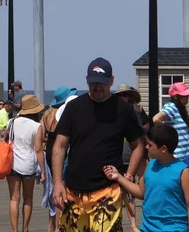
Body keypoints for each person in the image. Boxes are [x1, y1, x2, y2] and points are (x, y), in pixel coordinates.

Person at [52, 58, 145, 232]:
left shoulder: (123, 110)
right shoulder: (73, 107)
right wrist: (57, 182)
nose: (97, 87)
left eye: (102, 83)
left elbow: (138, 146)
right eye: (93, 83)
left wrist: (128, 178)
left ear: (111, 80)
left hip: (107, 191)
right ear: (87, 81)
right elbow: (59, 146)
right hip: (73, 190)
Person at [104, 124, 189, 232]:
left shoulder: (183, 171)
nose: (146, 147)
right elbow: (141, 192)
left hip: (174, 229)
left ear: (163, 149)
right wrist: (118, 177)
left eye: (150, 145)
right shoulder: (151, 165)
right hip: (147, 228)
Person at [6, 95, 46, 232]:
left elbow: (5, 139)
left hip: (12, 164)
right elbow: (38, 149)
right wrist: (43, 171)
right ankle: (25, 228)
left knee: (13, 198)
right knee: (28, 198)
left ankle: (14, 230)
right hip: (29, 165)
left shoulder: (11, 122)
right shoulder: (37, 126)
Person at [42, 87, 76, 232]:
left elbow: (42, 136)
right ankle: (58, 226)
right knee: (63, 188)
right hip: (61, 150)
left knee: (54, 187)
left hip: (49, 149)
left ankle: (53, 226)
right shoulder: (64, 114)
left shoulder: (47, 115)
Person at [115, 84, 148, 232]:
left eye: (125, 94)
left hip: (135, 154)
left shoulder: (138, 110)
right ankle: (120, 222)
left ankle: (134, 224)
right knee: (117, 193)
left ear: (130, 96)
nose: (123, 97)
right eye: (121, 95)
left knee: (136, 189)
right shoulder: (112, 110)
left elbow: (145, 128)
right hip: (118, 155)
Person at [152, 82, 189, 159]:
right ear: (176, 97)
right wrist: (168, 131)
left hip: (186, 154)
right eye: (184, 95)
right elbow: (156, 119)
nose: (187, 97)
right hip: (178, 155)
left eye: (187, 95)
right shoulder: (172, 107)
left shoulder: (179, 109)